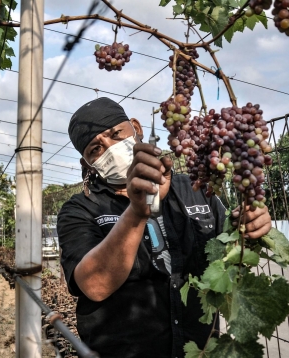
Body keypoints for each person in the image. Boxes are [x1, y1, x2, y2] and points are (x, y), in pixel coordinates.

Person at [57, 97, 272, 358]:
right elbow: (95, 285)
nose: (111, 148)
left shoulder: (193, 189)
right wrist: (138, 212)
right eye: (95, 149)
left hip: (199, 349)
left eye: (116, 134)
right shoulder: (80, 210)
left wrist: (247, 227)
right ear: (88, 164)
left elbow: (228, 255)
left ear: (135, 127)